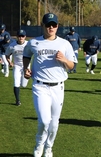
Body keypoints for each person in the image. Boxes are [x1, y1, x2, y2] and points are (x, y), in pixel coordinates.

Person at [22, 13, 77, 157]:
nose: (51, 27)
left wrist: (64, 59)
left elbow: (72, 66)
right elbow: (26, 54)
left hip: (58, 87)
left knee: (54, 123)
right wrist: (25, 69)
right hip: (40, 86)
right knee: (45, 121)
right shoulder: (34, 42)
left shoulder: (65, 44)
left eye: (53, 25)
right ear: (43, 26)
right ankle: (39, 144)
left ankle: (48, 148)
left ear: (57, 26)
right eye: (48, 25)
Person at [5, 30, 29, 106]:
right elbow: (7, 55)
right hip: (17, 66)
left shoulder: (28, 44)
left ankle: (23, 83)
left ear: (25, 37)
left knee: (24, 85)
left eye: (22, 36)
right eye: (19, 36)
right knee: (16, 82)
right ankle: (17, 100)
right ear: (17, 37)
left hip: (26, 66)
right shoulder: (12, 45)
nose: (21, 38)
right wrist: (10, 62)